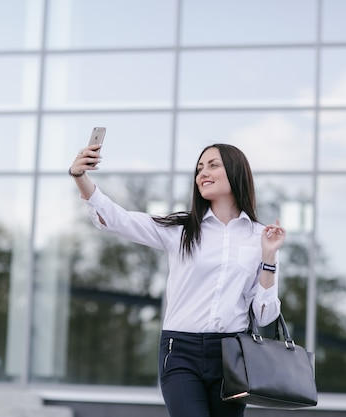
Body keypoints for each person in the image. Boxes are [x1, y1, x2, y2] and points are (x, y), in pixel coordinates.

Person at [69, 140, 285, 417]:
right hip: (180, 351)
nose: (202, 174)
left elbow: (265, 315)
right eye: (199, 169)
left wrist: (269, 258)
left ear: (236, 171)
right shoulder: (181, 230)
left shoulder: (260, 237)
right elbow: (116, 219)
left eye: (213, 165)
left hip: (231, 355)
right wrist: (80, 176)